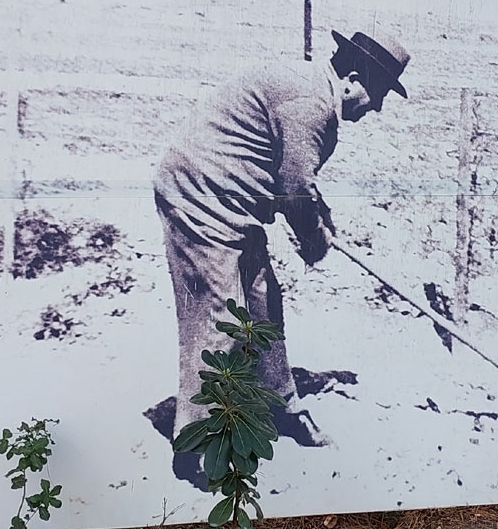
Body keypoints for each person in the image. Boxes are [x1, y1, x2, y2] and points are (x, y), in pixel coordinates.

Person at [144, 29, 411, 488]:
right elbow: (294, 189)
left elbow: (297, 178)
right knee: (220, 317)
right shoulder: (313, 106)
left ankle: (280, 404)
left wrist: (320, 217)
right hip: (199, 194)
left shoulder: (312, 94)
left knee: (263, 301)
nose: (378, 108)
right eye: (379, 94)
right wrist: (315, 238)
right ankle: (193, 446)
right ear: (351, 79)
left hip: (233, 195)